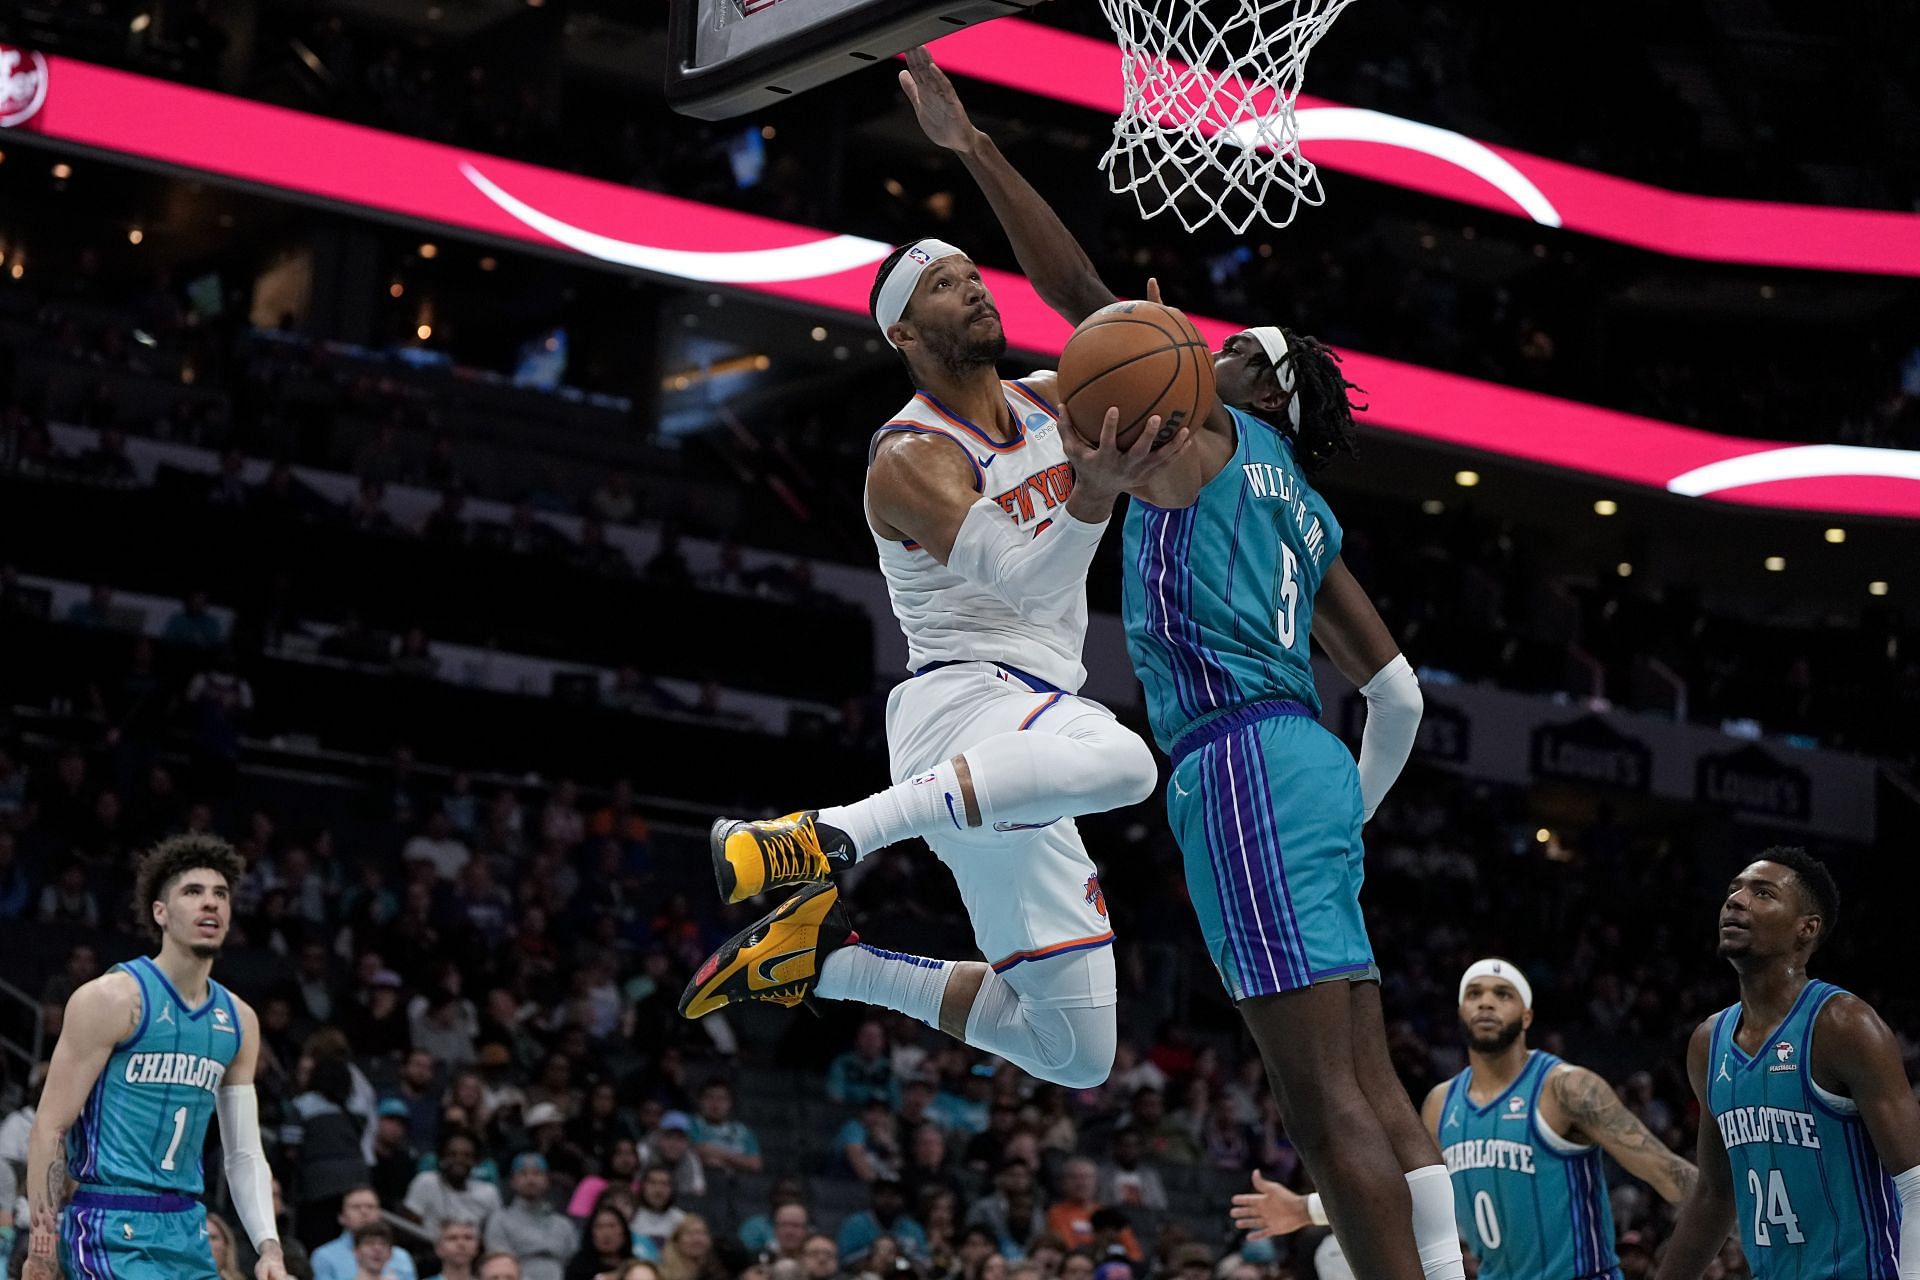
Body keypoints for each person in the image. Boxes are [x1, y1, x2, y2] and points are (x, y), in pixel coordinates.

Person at [895, 47, 1448, 1280]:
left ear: (1256, 382)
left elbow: (1082, 291)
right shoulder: (1304, 503)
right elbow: (1401, 692)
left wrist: (973, 146)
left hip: (1244, 757)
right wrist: (1345, 804)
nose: (1205, 345)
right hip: (1305, 759)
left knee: (1319, 1106)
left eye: (1229, 347)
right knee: (1368, 1069)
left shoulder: (1213, 421)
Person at [681, 211, 1197, 1096]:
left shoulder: (1049, 402)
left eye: (974, 274)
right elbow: (1027, 585)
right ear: (906, 333)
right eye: (946, 285)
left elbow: (1173, 392)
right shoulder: (911, 458)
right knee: (1127, 762)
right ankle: (830, 833)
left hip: (1022, 741)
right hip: (963, 703)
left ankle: (825, 961)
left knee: (1075, 1052)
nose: (975, 288)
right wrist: (1097, 496)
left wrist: (1174, 354)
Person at [1232, 958, 1699, 1279]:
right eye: (1474, 993)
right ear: (1460, 1010)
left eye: (1502, 994)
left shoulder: (1568, 1088)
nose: (1487, 1003)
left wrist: (1738, 1218)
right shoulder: (1441, 1102)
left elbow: (1664, 1170)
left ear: (1528, 1014)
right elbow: (1405, 1191)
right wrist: (1304, 1209)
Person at [23, 834, 288, 1280]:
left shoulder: (239, 1020)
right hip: (109, 1222)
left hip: (187, 1227)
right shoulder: (111, 999)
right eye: (193, 892)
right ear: (160, 912)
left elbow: (243, 1152)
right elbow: (51, 1125)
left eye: (220, 894)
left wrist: (270, 1249)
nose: (211, 904)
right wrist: (42, 1244)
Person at [1654, 848, 1920, 1280]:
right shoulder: (1708, 1042)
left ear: (1806, 929)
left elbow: (1917, 1184)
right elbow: (1715, 1196)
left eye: (1763, 893)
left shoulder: (1843, 1025)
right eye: (1733, 890)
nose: (1736, 900)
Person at [486, 1153, 579, 1280]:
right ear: (512, 1181)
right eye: (523, 1174)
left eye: (537, 1173)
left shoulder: (563, 1224)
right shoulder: (500, 1220)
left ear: (547, 1180)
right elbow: (499, 1263)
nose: (531, 1179)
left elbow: (572, 1262)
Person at [404, 1127, 502, 1237]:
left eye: (467, 1155)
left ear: (476, 1161)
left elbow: (494, 1235)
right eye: (452, 1154)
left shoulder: (489, 1192)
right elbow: (409, 1228)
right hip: (427, 1249)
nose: (459, 1160)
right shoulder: (425, 1181)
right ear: (442, 1158)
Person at [312, 1186, 419, 1280]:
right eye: (356, 1207)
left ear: (379, 1214)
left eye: (370, 1207)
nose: (364, 1212)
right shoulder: (324, 1256)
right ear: (341, 1217)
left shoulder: (401, 1256)